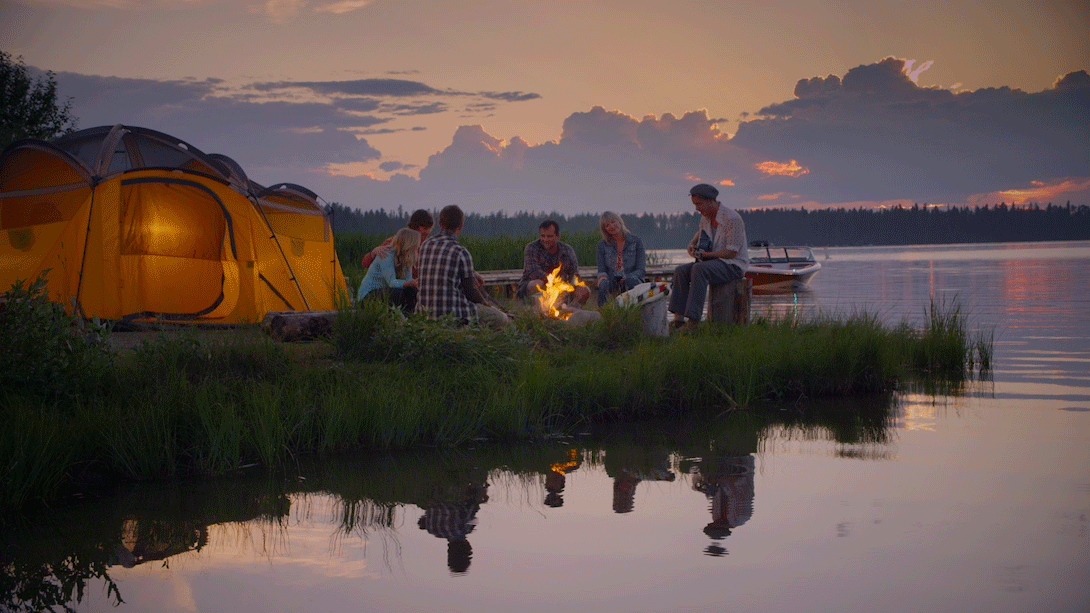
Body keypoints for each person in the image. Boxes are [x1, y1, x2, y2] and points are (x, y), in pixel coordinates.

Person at [668, 183, 749, 330]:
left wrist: (706, 255)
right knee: (681, 270)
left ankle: (693, 321)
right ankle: (678, 320)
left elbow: (731, 252)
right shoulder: (705, 218)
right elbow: (701, 233)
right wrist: (692, 244)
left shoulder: (732, 218)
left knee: (699, 269)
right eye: (695, 204)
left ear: (711, 201)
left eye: (699, 204)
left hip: (733, 265)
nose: (696, 208)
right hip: (713, 262)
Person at [416, 204, 510, 328]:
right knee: (502, 318)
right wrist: (488, 305)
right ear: (460, 226)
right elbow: (471, 292)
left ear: (439, 223)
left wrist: (471, 273)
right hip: (452, 314)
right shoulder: (461, 252)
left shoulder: (425, 245)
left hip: (425, 314)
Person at [516, 219, 590, 307]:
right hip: (540, 285)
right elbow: (534, 272)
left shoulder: (567, 250)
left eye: (549, 236)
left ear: (557, 235)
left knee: (584, 290)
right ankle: (534, 310)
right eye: (543, 236)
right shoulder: (531, 248)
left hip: (562, 287)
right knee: (537, 284)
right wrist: (556, 285)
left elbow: (575, 275)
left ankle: (571, 310)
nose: (545, 239)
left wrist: (569, 287)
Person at [356, 227, 419, 315]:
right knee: (398, 293)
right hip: (368, 296)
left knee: (412, 290)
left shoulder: (406, 258)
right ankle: (400, 316)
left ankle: (409, 317)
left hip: (385, 292)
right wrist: (410, 282)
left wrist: (415, 283)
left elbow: (408, 279)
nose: (417, 247)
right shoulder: (386, 255)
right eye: (416, 244)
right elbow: (392, 282)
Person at [595, 211, 646, 306]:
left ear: (619, 221)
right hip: (612, 279)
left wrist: (628, 276)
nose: (611, 226)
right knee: (603, 285)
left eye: (613, 221)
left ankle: (636, 311)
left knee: (631, 281)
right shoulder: (601, 245)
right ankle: (603, 312)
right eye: (607, 225)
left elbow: (641, 270)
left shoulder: (637, 241)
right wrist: (602, 277)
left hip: (632, 278)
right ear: (604, 229)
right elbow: (601, 270)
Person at [361, 208, 434, 269]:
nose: (428, 232)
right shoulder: (394, 241)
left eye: (430, 228)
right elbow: (365, 263)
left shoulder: (428, 245)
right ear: (414, 227)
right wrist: (373, 253)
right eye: (425, 228)